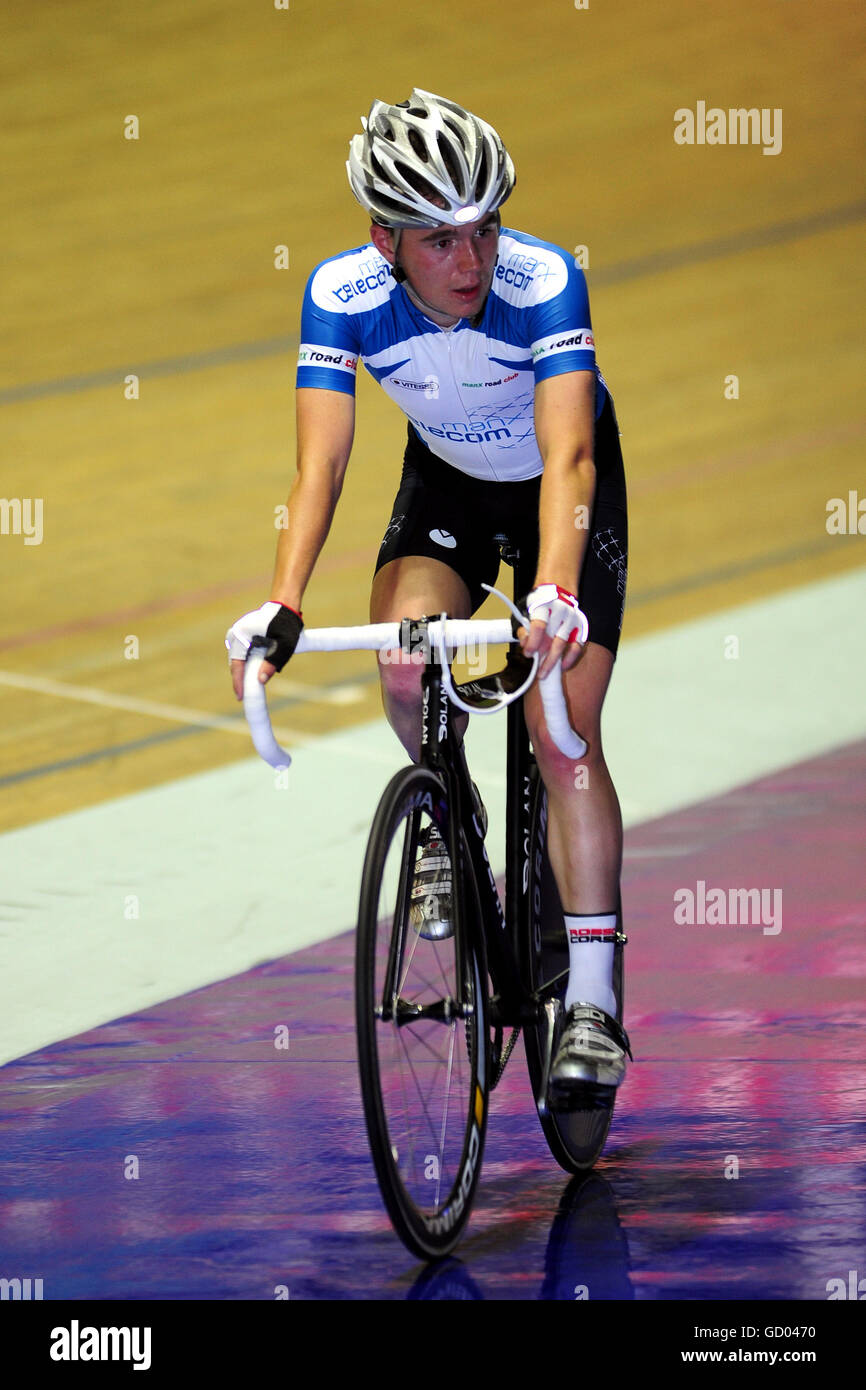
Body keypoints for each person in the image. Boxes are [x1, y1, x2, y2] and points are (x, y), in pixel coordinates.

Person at [227, 89, 631, 1097]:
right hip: (445, 485)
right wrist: (282, 601)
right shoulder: (341, 294)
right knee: (404, 662)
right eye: (440, 241)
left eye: (484, 229)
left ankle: (591, 999)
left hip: (558, 490)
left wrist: (551, 591)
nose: (471, 262)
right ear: (384, 240)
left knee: (561, 731)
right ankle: (451, 833)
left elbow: (569, 454)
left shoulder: (543, 281)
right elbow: (316, 470)